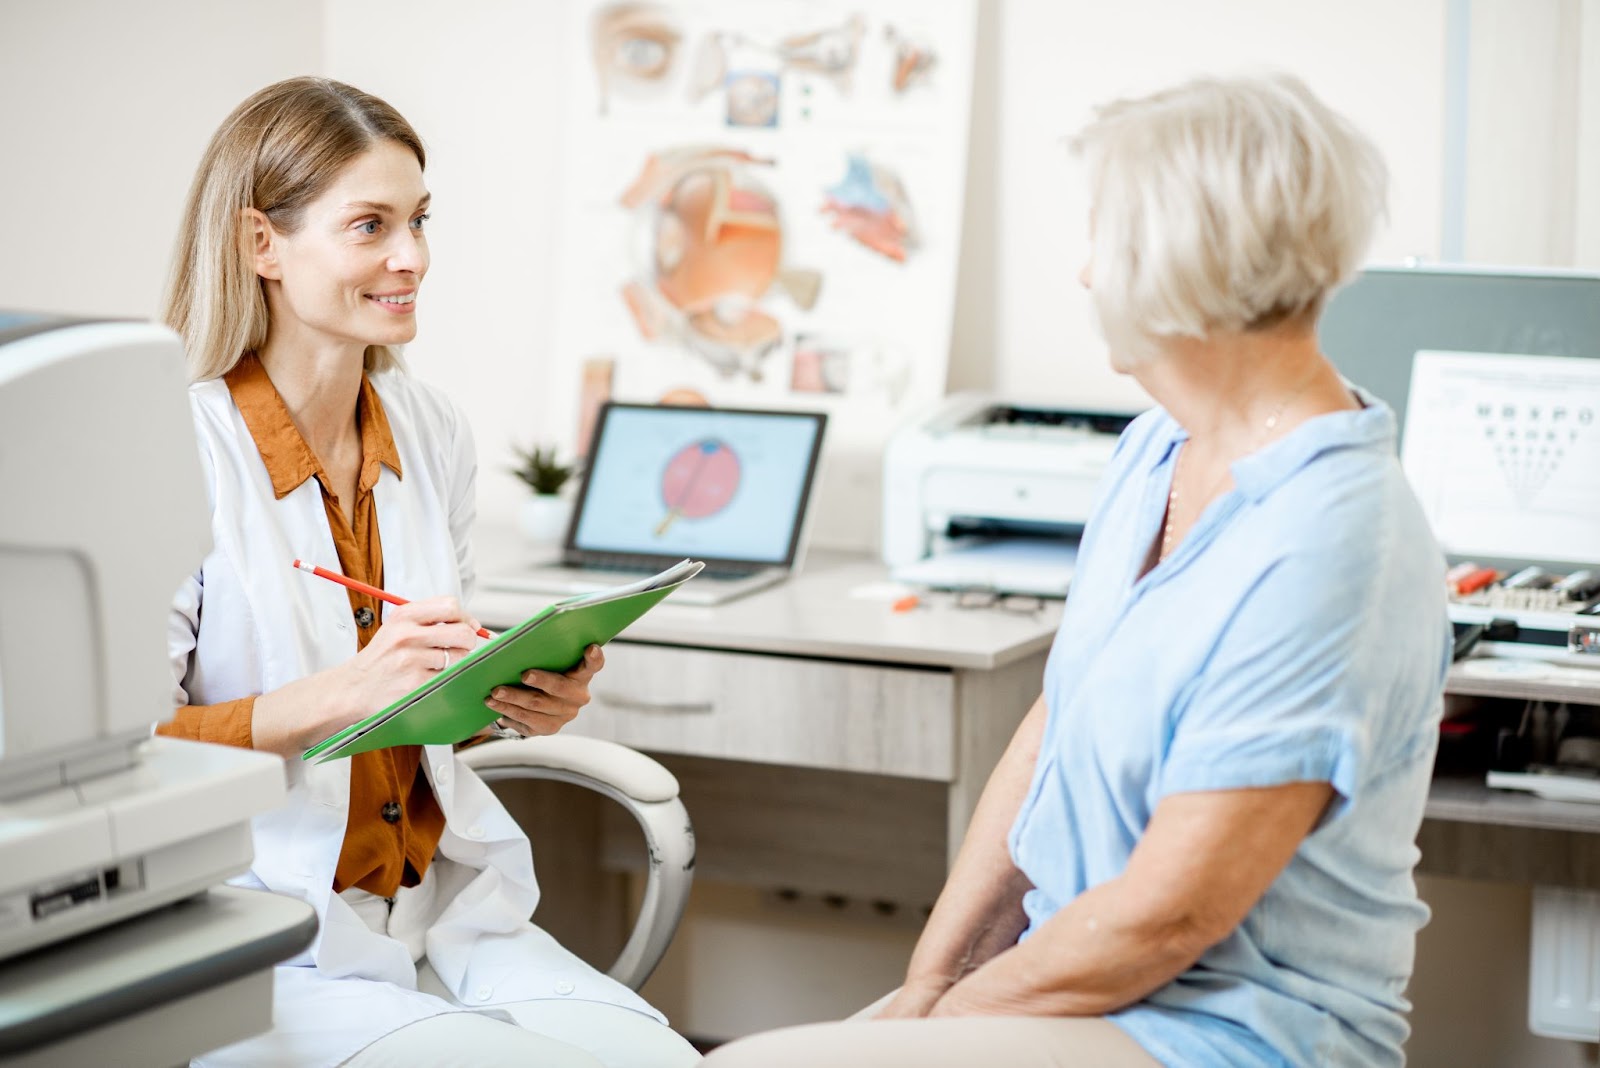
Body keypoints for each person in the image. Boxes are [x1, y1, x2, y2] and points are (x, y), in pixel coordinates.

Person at [702, 73, 1452, 1068]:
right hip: (1085, 995)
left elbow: (1165, 920)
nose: (1089, 275)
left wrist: (945, 1028)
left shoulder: (1332, 536)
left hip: (1238, 1033)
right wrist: (926, 989)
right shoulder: (1157, 449)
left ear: (1183, 258)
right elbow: (1053, 728)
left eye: (1105, 238)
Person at [155, 77, 699, 1068]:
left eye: (418, 221)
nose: (410, 259)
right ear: (259, 245)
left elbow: (419, 701)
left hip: (444, 906)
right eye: (369, 226)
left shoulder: (429, 427)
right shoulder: (169, 451)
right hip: (259, 930)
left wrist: (510, 695)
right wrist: (340, 696)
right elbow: (126, 758)